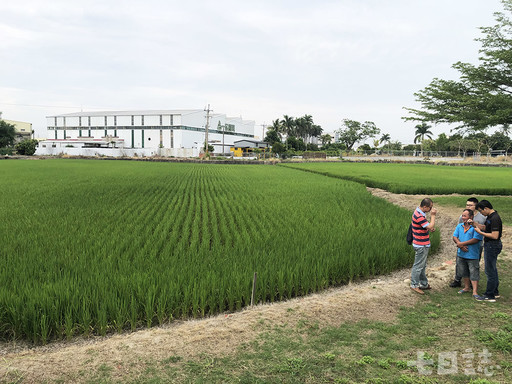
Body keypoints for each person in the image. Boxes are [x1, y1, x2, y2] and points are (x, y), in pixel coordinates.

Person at [449, 198, 487, 288]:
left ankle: (471, 282)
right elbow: (459, 230)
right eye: (467, 205)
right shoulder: (462, 217)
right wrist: (460, 244)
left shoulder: (482, 217)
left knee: (473, 264)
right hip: (462, 245)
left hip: (477, 245)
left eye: (470, 205)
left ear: (476, 206)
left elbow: (485, 229)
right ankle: (457, 280)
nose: (468, 206)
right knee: (460, 263)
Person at [473, 200, 503, 302]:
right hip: (490, 245)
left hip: (492, 245)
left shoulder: (495, 218)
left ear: (486, 208)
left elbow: (495, 235)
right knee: (492, 269)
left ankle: (489, 295)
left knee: (489, 270)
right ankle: (495, 291)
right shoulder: (490, 217)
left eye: (481, 211)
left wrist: (480, 233)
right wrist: (475, 224)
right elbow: (487, 228)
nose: (481, 213)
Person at [452, 209, 484, 299]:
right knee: (464, 271)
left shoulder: (475, 227)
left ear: (471, 217)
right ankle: (466, 287)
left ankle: (475, 291)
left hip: (472, 254)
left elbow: (476, 239)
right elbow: (455, 236)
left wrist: (462, 244)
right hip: (461, 253)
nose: (463, 218)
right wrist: (460, 245)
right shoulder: (459, 226)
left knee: (474, 272)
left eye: (465, 216)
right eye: (462, 216)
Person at [410, 198, 437, 295]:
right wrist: (433, 216)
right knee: (418, 265)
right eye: (430, 207)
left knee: (422, 265)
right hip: (421, 244)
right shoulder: (419, 215)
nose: (431, 209)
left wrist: (429, 228)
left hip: (423, 243)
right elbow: (429, 226)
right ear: (425, 207)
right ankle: (414, 284)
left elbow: (426, 227)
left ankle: (424, 284)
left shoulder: (420, 213)